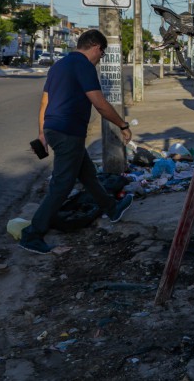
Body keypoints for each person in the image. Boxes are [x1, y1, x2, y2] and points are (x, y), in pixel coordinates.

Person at [20, 30, 134, 254]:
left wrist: (43, 133)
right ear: (96, 48)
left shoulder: (58, 66)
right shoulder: (84, 66)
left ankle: (112, 209)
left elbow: (45, 103)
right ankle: (32, 234)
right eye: (101, 55)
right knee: (61, 185)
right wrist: (122, 124)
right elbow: (99, 103)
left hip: (55, 129)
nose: (99, 60)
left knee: (88, 174)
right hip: (68, 132)